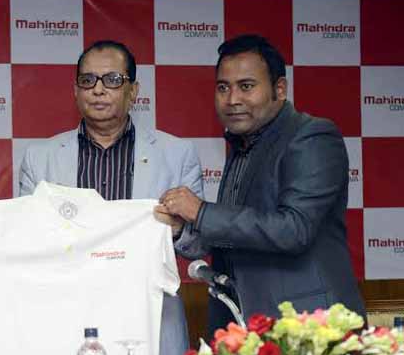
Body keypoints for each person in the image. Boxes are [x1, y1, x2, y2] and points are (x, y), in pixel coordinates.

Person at [156, 34, 365, 333]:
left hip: (309, 330)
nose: (232, 99)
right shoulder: (244, 143)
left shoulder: (312, 136)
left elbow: (294, 229)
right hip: (248, 326)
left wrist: (201, 212)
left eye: (247, 86)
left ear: (279, 90)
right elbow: (238, 234)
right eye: (223, 87)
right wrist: (183, 228)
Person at [19, 40, 204, 355]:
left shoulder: (177, 154)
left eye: (112, 80)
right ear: (76, 91)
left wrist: (178, 230)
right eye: (88, 81)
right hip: (67, 309)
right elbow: (26, 241)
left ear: (133, 91)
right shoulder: (40, 158)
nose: (98, 90)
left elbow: (199, 244)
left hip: (148, 309)